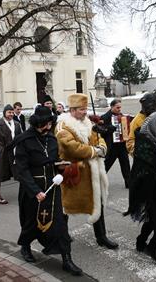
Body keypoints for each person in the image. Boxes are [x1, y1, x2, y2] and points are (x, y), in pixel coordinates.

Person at [15, 105, 82, 276]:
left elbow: (54, 160)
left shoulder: (51, 139)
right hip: (33, 190)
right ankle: (26, 246)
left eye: (49, 124)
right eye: (43, 125)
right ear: (36, 124)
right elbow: (21, 170)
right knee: (31, 222)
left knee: (60, 223)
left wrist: (62, 166)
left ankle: (67, 260)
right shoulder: (24, 140)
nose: (47, 128)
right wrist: (35, 191)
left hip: (52, 189)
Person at [56, 94, 118, 249]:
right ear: (72, 109)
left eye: (85, 109)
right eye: (82, 109)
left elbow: (98, 137)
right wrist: (94, 151)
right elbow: (70, 146)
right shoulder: (63, 126)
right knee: (66, 206)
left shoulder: (88, 122)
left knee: (98, 201)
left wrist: (102, 147)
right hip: (75, 172)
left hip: (93, 171)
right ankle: (61, 235)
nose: (85, 112)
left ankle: (101, 236)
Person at [125, 112, 156, 265]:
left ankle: (141, 241)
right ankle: (153, 246)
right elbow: (145, 171)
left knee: (154, 217)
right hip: (151, 189)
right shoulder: (144, 144)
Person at [0, 104, 21, 204]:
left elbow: (20, 138)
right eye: (9, 112)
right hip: (1, 153)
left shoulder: (16, 124)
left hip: (15, 152)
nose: (11, 114)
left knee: (21, 173)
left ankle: (25, 193)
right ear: (4, 113)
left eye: (12, 112)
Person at [100, 99, 130, 188]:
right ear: (112, 107)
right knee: (107, 165)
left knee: (125, 164)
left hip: (121, 145)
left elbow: (126, 129)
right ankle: (99, 181)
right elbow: (101, 131)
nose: (119, 109)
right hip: (112, 146)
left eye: (120, 107)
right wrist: (109, 128)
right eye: (117, 107)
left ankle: (128, 183)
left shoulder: (122, 116)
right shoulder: (104, 117)